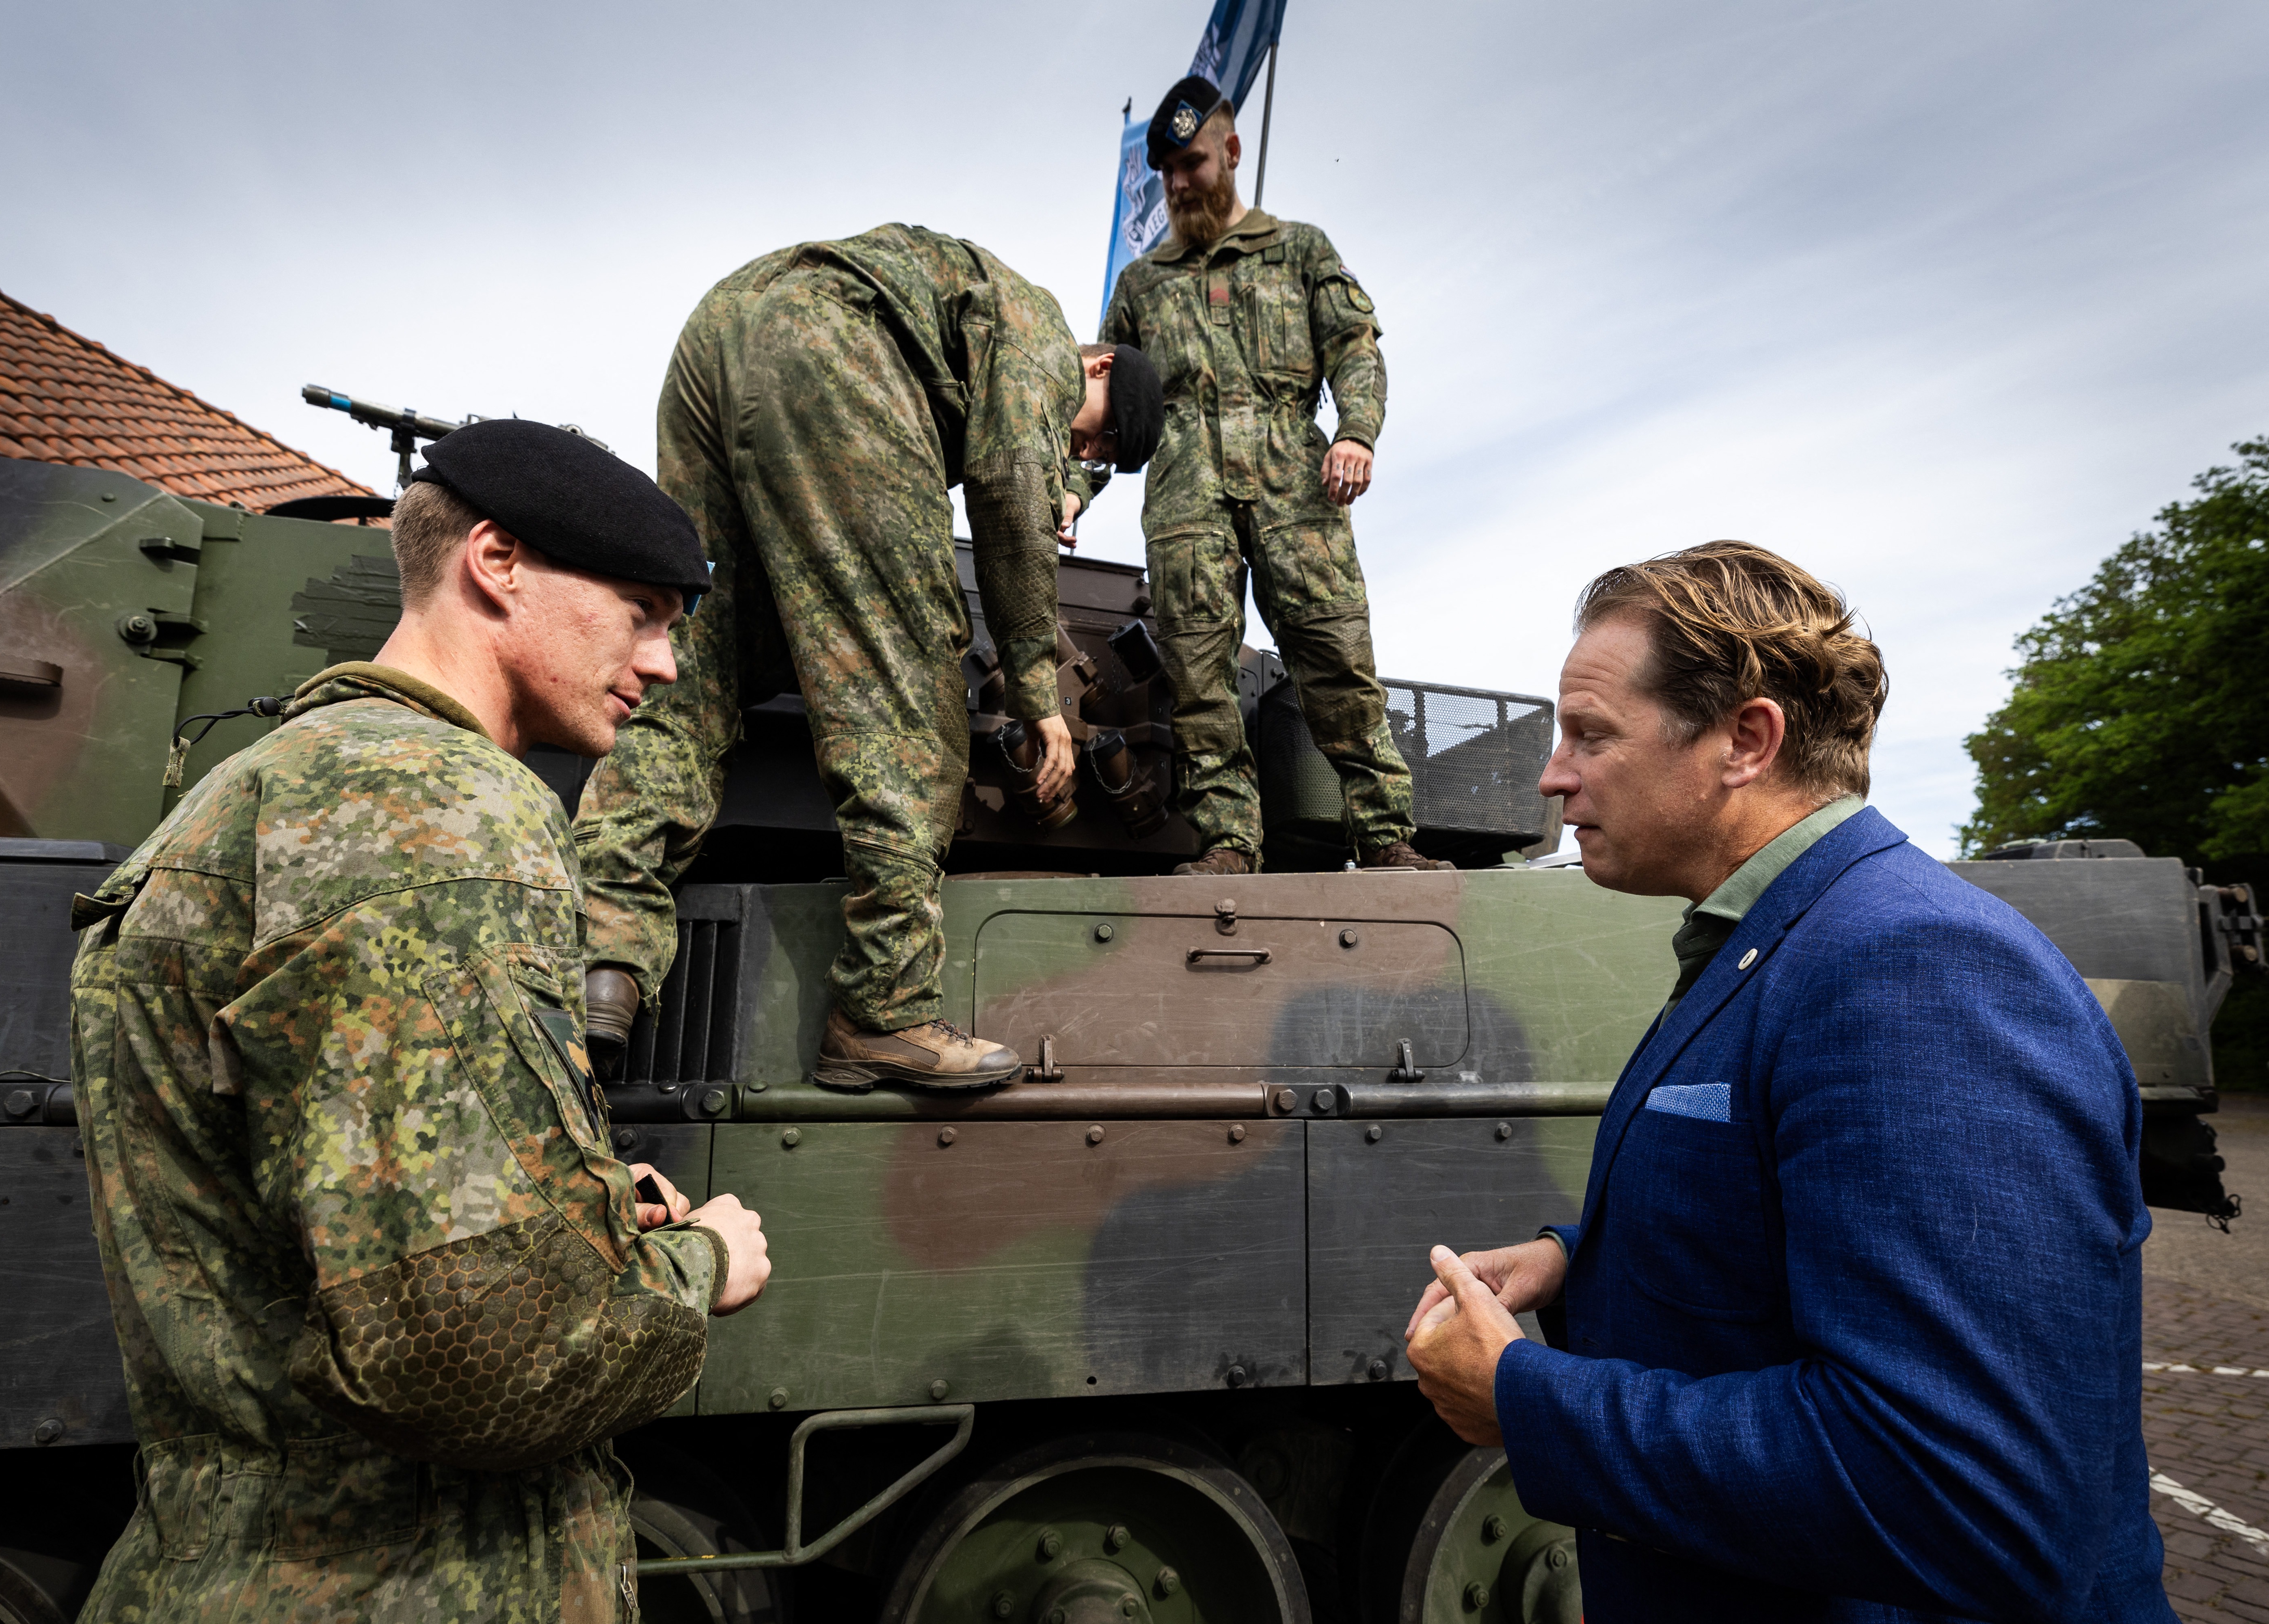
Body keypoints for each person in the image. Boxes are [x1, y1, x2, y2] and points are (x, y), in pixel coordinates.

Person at [70, 419, 772, 1623]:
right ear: (496, 562)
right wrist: (697, 1263)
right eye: (644, 611)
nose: (662, 664)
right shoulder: (443, 819)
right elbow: (479, 1359)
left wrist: (579, 1210)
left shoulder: (266, 783)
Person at [1399, 541, 2172, 1622]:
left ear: (1747, 742)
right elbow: (1797, 1223)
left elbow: (1964, 1495)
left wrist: (1533, 1404)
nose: (1551, 776)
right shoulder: (1777, 940)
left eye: (1591, 734)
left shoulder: (1913, 968)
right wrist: (1577, 1265)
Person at [575, 225, 1165, 1093]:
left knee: (686, 665)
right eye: (1096, 442)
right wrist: (1039, 690)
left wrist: (1057, 479)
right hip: (835, 350)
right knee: (909, 685)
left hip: (722, 336)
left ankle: (600, 964)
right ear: (1102, 367)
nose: (1082, 458)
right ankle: (883, 1010)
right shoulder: (1040, 331)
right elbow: (1007, 486)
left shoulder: (976, 317)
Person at [1098, 74, 1448, 877]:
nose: (1179, 184)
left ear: (1230, 151)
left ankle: (1386, 835)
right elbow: (1111, 396)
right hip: (1186, 487)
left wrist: (1356, 431)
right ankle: (1227, 844)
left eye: (1191, 163)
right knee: (1198, 672)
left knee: (1337, 661)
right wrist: (1072, 491)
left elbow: (1356, 347)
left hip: (1297, 477)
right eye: (1167, 173)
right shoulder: (1143, 284)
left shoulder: (1301, 250)